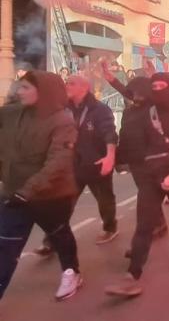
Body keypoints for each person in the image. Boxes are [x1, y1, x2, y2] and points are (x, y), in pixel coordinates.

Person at [105, 72, 169, 297]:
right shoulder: (146, 111)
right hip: (151, 175)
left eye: (162, 86)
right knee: (144, 224)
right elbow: (131, 95)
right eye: (154, 86)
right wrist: (119, 159)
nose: (157, 90)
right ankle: (132, 276)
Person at [0, 71, 82, 301]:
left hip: (50, 196)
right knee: (5, 246)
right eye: (20, 86)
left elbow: (58, 162)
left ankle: (72, 272)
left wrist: (27, 192)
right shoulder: (12, 113)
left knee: (60, 234)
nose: (19, 91)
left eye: (26, 88)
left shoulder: (62, 121)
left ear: (43, 92)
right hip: (13, 194)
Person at [65, 75, 119, 244]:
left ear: (84, 87)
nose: (67, 86)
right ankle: (52, 239)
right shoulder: (64, 109)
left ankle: (110, 227)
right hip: (73, 165)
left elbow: (110, 133)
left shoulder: (99, 109)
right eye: (66, 83)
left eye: (71, 83)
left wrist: (110, 156)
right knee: (64, 202)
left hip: (96, 163)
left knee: (104, 200)